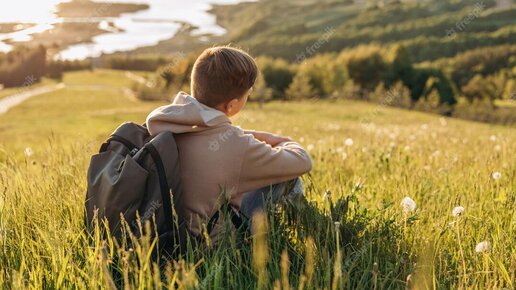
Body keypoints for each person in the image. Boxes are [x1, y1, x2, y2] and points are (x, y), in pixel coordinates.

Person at [146, 46, 312, 244]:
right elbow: (302, 162)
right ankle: (305, 234)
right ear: (231, 105)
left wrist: (245, 134)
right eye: (247, 94)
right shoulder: (237, 146)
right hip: (208, 246)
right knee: (288, 178)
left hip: (161, 236)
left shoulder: (165, 125)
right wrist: (283, 140)